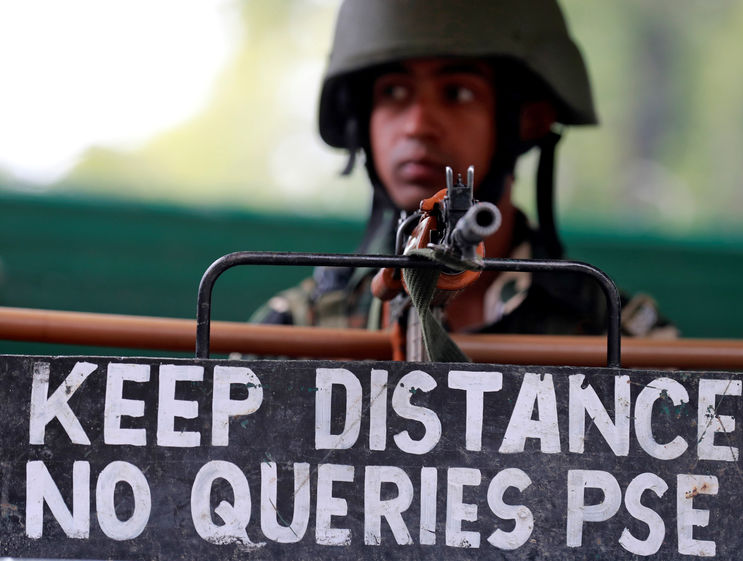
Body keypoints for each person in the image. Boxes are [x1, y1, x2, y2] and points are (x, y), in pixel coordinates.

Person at [252, 0, 675, 340]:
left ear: (527, 119)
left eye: (457, 92)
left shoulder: (612, 333)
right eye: (393, 92)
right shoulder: (296, 331)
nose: (417, 125)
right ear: (362, 121)